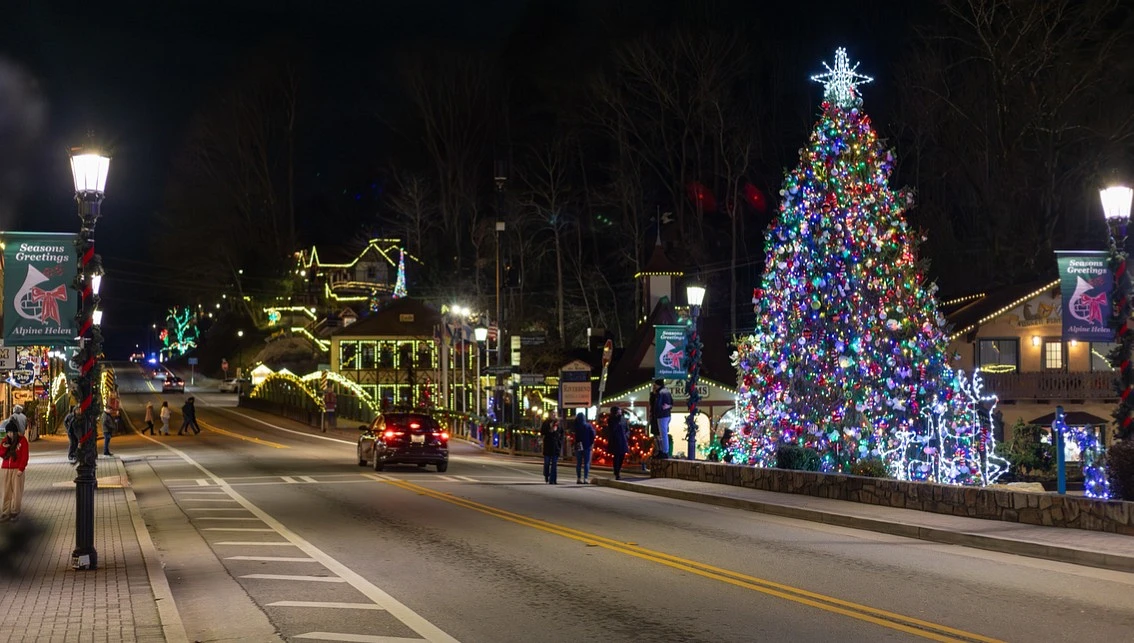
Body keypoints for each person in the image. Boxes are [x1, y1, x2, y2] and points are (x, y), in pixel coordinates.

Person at [0, 423, 29, 522]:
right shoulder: (5, 440)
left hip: (17, 469)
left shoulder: (22, 441)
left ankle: (15, 511)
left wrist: (21, 469)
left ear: (16, 432)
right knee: (5, 491)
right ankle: (5, 512)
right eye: (8, 432)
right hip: (5, 468)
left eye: (11, 432)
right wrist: (5, 447)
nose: (10, 434)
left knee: (16, 491)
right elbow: (1, 453)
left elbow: (25, 456)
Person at [573, 412, 596, 484]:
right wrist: (591, 442)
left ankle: (578, 478)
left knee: (579, 463)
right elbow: (593, 435)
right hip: (586, 445)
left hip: (578, 444)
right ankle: (585, 478)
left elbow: (573, 434)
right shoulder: (588, 426)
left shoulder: (576, 426)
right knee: (586, 462)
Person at [607, 406, 630, 480]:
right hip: (615, 441)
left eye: (620, 411)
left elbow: (627, 429)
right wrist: (617, 420)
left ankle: (618, 469)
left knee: (622, 456)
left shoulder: (623, 419)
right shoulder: (611, 420)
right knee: (616, 457)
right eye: (618, 411)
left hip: (623, 440)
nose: (620, 412)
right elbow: (612, 429)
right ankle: (617, 472)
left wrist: (626, 435)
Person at [653, 379, 673, 458]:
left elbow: (658, 405)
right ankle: (664, 451)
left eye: (655, 385)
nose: (654, 386)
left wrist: (656, 414)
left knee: (663, 434)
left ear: (658, 385)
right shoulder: (667, 391)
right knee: (663, 434)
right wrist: (669, 406)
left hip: (662, 416)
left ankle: (664, 452)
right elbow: (672, 402)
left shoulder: (660, 393)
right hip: (667, 415)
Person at [541, 416, 563, 484]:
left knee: (554, 464)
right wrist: (549, 429)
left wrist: (559, 442)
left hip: (555, 447)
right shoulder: (546, 423)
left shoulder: (559, 426)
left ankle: (553, 480)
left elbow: (562, 434)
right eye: (552, 413)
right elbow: (542, 432)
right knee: (547, 463)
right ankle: (546, 475)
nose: (553, 414)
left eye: (555, 413)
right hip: (547, 447)